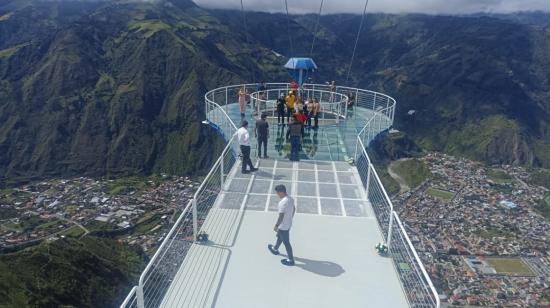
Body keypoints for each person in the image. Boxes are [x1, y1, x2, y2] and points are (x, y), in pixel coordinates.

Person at [268, 184, 295, 266]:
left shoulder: (282, 203)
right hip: (288, 224)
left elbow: (281, 216)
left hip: (283, 226)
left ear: (281, 192)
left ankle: (291, 260)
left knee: (286, 242)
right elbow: (294, 208)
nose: (277, 195)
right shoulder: (290, 199)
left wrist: (276, 225)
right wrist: (290, 218)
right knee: (280, 236)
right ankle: (275, 248)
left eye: (277, 193)